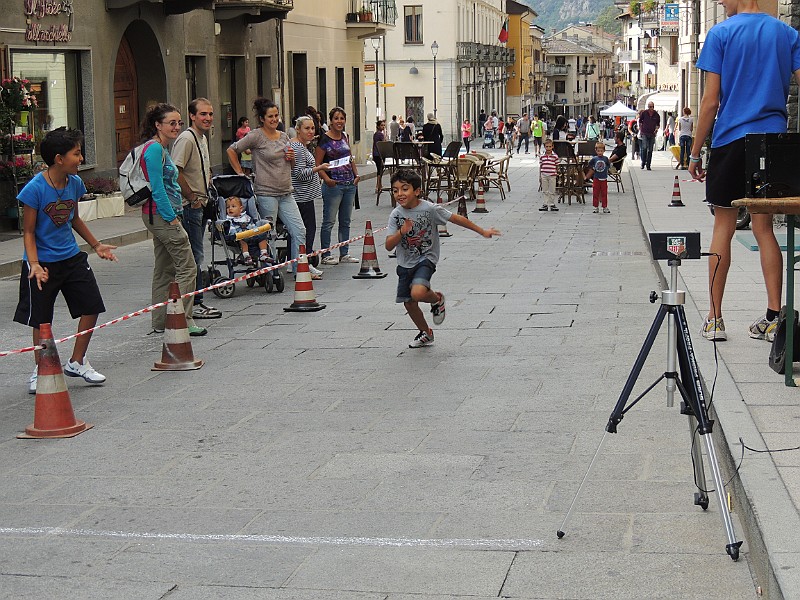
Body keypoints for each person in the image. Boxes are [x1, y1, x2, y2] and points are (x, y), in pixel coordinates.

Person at [690, 0, 800, 342]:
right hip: (773, 142)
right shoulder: (787, 33)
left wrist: (694, 153)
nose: (721, 1)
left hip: (732, 140)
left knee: (723, 226)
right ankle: (772, 318)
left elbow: (710, 102)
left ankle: (715, 318)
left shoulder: (720, 33)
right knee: (764, 227)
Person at [15, 127, 118, 394]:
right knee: (41, 319)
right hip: (41, 263)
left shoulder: (75, 184)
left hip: (71, 257)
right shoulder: (34, 190)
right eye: (76, 153)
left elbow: (74, 218)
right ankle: (42, 369)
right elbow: (28, 231)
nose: (81, 158)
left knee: (91, 305)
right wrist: (34, 264)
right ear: (59, 158)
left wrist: (96, 246)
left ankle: (77, 361)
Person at [385, 169, 500, 349]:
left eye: (404, 189)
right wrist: (402, 231)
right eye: (395, 190)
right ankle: (426, 333)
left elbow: (457, 219)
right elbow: (388, 245)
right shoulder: (396, 215)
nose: (399, 194)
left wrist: (482, 231)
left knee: (418, 293)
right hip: (404, 263)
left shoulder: (429, 209)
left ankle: (437, 299)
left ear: (417, 191)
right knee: (409, 303)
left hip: (426, 258)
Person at [140, 103, 206, 337]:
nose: (177, 126)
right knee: (188, 266)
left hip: (158, 214)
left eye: (179, 122)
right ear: (157, 125)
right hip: (161, 214)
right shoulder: (155, 150)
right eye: (172, 123)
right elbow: (157, 188)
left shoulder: (160, 148)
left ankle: (160, 322)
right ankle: (184, 320)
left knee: (164, 269)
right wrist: (172, 219)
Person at [227, 98, 306, 277]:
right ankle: (269, 270)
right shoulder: (256, 136)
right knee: (268, 233)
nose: (274, 119)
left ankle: (298, 267)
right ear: (262, 118)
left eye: (276, 116)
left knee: (299, 230)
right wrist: (240, 173)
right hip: (266, 193)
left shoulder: (284, 136)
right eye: (270, 116)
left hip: (286, 192)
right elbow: (232, 150)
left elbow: (292, 166)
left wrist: (291, 157)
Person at [172, 97, 222, 321]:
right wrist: (191, 197)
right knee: (195, 254)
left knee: (195, 252)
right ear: (192, 116)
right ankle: (196, 302)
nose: (208, 118)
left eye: (210, 114)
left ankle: (192, 300)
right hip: (191, 205)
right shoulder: (187, 138)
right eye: (203, 114)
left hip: (201, 203)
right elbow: (176, 171)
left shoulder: (201, 138)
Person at [316, 106, 361, 265]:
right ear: (331, 120)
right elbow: (317, 163)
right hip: (333, 185)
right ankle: (326, 254)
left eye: (342, 118)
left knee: (345, 221)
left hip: (349, 184)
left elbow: (350, 157)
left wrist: (356, 175)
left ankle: (344, 253)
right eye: (336, 118)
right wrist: (326, 179)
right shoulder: (324, 139)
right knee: (329, 221)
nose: (339, 121)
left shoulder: (345, 136)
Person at [290, 115, 329, 279]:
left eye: (313, 128)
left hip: (305, 195)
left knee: (302, 231)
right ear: (298, 129)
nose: (311, 131)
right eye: (307, 128)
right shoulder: (298, 147)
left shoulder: (301, 146)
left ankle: (297, 263)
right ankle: (303, 264)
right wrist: (318, 168)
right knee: (307, 230)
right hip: (302, 196)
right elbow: (298, 174)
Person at [224, 196, 272, 266]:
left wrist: (256, 231)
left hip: (252, 234)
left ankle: (263, 253)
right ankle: (246, 256)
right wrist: (235, 234)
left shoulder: (246, 217)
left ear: (241, 209)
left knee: (262, 236)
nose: (230, 209)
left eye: (233, 206)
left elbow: (252, 225)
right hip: (240, 237)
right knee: (242, 239)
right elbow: (231, 229)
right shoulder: (228, 220)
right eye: (228, 207)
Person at [586, 142, 611, 214]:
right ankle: (595, 206)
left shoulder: (605, 159)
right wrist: (593, 168)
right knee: (595, 193)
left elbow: (608, 165)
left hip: (604, 178)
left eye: (601, 151)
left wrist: (607, 169)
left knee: (604, 193)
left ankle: (604, 206)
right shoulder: (594, 159)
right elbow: (589, 164)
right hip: (596, 178)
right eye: (598, 151)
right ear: (596, 151)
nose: (600, 152)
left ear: (604, 151)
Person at [538, 138, 559, 212]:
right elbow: (541, 166)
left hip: (552, 175)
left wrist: (556, 173)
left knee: (552, 190)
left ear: (552, 146)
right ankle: (545, 204)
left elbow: (557, 165)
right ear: (544, 147)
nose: (548, 148)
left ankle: (552, 203)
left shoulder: (555, 156)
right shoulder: (542, 156)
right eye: (547, 146)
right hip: (544, 174)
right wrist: (540, 176)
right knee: (545, 190)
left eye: (550, 146)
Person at [638, 101, 659, 170]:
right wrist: (641, 129)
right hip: (644, 133)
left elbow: (658, 124)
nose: (651, 108)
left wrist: (656, 129)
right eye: (650, 107)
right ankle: (643, 162)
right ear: (648, 107)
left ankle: (648, 165)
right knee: (644, 148)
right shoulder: (644, 113)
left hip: (652, 134)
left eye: (652, 107)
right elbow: (640, 121)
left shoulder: (656, 114)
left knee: (650, 150)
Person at [372, 119, 387, 193]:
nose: (383, 126)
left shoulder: (375, 134)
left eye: (384, 125)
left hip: (375, 154)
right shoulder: (380, 134)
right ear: (378, 126)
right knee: (380, 170)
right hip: (379, 154)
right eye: (382, 125)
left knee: (379, 170)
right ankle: (378, 186)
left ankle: (379, 186)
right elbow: (384, 143)